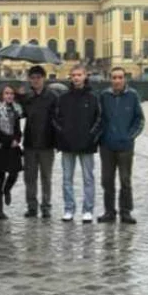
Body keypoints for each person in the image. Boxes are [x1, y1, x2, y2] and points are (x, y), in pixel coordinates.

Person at [53, 65, 102, 223]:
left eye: (79, 74)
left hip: (87, 144)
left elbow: (99, 119)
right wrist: (62, 135)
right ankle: (69, 209)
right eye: (73, 75)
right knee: (67, 178)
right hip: (67, 144)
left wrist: (91, 137)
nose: (76, 78)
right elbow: (55, 119)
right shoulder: (63, 98)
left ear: (85, 76)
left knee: (88, 178)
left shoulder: (94, 97)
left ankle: (87, 210)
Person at [98, 67, 145, 224]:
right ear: (110, 79)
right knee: (107, 180)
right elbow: (99, 117)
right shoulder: (104, 96)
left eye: (120, 77)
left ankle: (126, 212)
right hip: (107, 145)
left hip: (125, 146)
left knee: (125, 180)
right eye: (114, 77)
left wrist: (130, 136)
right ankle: (109, 211)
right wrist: (101, 136)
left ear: (125, 79)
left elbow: (139, 119)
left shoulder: (132, 95)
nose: (117, 80)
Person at [17, 66, 57, 219]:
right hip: (30, 143)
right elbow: (20, 114)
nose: (35, 80)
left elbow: (58, 119)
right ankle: (32, 206)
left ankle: (46, 206)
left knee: (46, 177)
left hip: (47, 143)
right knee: (30, 177)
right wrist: (18, 97)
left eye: (38, 77)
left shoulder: (52, 97)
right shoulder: (27, 97)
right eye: (32, 78)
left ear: (43, 78)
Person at [0, 85, 23, 220]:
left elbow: (18, 129)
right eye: (7, 93)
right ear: (1, 95)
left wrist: (17, 139)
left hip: (12, 146)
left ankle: (7, 190)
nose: (9, 96)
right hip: (0, 146)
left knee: (14, 173)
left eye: (11, 93)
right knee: (0, 177)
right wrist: (8, 140)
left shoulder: (15, 109)